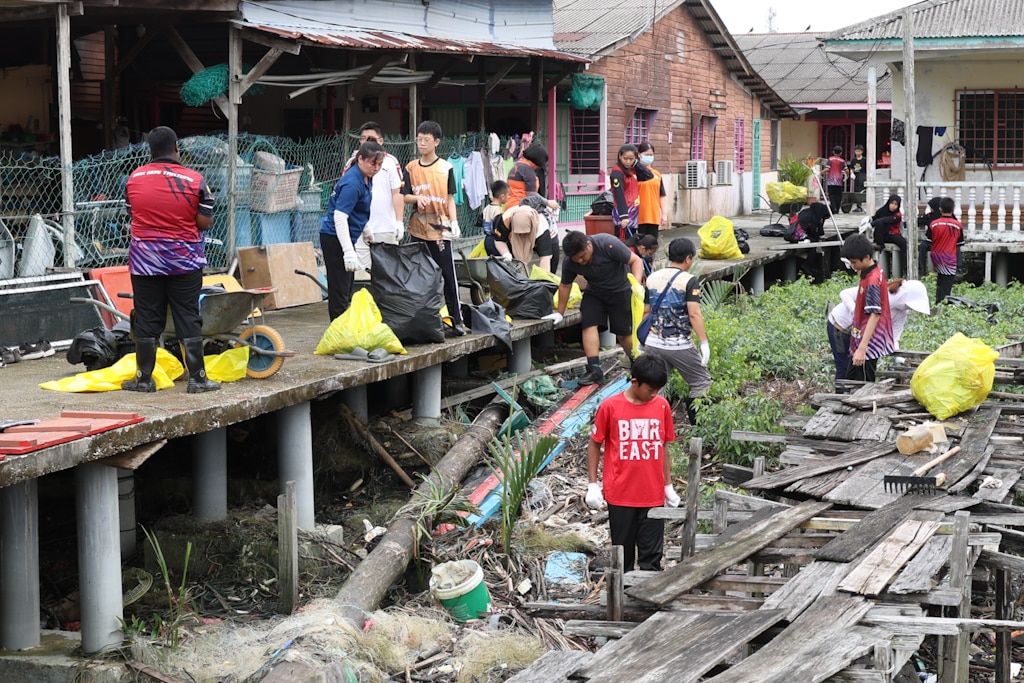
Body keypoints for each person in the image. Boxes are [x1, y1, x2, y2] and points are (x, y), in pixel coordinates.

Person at [122, 126, 219, 394]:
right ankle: (198, 379)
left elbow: (131, 213)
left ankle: (143, 379)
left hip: (145, 261)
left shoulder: (134, 179)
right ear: (176, 147)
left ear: (150, 150)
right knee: (187, 315)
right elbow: (205, 222)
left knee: (146, 317)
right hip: (184, 261)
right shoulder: (195, 180)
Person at [584, 354, 681, 572]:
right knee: (622, 555)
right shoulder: (610, 407)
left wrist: (668, 485)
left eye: (658, 389)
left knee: (651, 557)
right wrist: (592, 484)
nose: (654, 394)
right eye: (650, 389)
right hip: (621, 494)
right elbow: (594, 444)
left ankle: (646, 601)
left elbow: (663, 446)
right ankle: (622, 600)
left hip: (652, 494)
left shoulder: (662, 406)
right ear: (635, 381)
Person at [402, 120, 468, 335]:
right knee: (418, 275)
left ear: (436, 142)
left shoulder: (446, 168)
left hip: (440, 226)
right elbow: (404, 195)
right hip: (417, 225)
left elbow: (450, 198)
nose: (421, 143)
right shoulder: (411, 167)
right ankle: (421, 321)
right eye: (419, 139)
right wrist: (415, 198)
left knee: (447, 274)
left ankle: (456, 320)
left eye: (426, 140)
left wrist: (454, 220)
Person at [554, 231, 645, 385]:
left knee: (623, 334)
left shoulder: (607, 244)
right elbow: (565, 285)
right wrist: (560, 313)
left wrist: (636, 285)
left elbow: (636, 261)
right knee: (588, 323)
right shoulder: (570, 262)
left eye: (583, 256)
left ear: (588, 245)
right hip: (595, 292)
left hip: (620, 290)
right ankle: (595, 369)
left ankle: (636, 363)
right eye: (577, 260)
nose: (581, 261)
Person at [642, 238, 711, 426]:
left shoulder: (652, 277)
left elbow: (646, 311)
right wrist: (704, 343)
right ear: (688, 259)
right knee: (701, 382)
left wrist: (643, 342)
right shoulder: (689, 280)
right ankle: (699, 428)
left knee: (657, 386)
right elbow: (694, 314)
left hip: (652, 343)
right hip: (678, 345)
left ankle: (655, 426)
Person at [319, 141, 384, 322]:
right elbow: (340, 217)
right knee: (339, 290)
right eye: (373, 163)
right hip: (334, 238)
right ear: (360, 159)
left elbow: (356, 209)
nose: (376, 168)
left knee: (347, 287)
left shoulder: (366, 176)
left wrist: (365, 228)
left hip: (347, 235)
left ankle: (343, 331)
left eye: (379, 164)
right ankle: (337, 332)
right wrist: (348, 251)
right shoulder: (352, 183)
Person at [827, 278, 929, 385]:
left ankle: (858, 396)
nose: (907, 307)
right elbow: (845, 293)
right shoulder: (879, 292)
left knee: (863, 369)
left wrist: (898, 358)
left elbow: (893, 338)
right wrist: (855, 311)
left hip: (862, 336)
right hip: (840, 328)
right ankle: (841, 395)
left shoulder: (901, 313)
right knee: (844, 367)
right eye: (907, 305)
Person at [344, 122, 405, 270]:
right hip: (359, 227)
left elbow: (397, 193)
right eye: (363, 138)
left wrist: (399, 222)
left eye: (371, 138)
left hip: (385, 227)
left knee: (389, 273)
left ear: (381, 141)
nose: (367, 142)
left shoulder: (390, 162)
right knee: (362, 273)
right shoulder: (352, 163)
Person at [840, 234, 895, 383]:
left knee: (862, 386)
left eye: (854, 262)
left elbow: (875, 314)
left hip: (869, 344)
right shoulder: (873, 271)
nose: (853, 266)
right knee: (851, 380)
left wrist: (862, 348)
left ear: (866, 258)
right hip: (861, 338)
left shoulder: (872, 281)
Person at [485, 205, 559, 273]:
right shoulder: (506, 219)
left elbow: (545, 258)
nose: (522, 236)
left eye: (525, 233)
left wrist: (543, 279)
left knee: (552, 263)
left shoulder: (541, 227)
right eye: (519, 234)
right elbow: (499, 240)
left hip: (548, 236)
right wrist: (506, 254)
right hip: (513, 238)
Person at [609, 144, 653, 241]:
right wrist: (624, 216)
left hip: (633, 212)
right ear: (620, 156)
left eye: (631, 159)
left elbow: (649, 176)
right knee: (624, 242)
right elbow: (619, 194)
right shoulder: (617, 173)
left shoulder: (631, 170)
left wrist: (636, 163)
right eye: (625, 158)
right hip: (624, 213)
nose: (628, 161)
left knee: (632, 240)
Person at [927, 196, 964, 304]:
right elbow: (959, 243)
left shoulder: (933, 224)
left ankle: (938, 301)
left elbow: (929, 241)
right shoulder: (958, 225)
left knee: (940, 280)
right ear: (952, 210)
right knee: (947, 283)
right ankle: (943, 303)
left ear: (940, 209)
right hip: (949, 257)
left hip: (936, 256)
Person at [507, 143, 558, 213]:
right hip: (521, 208)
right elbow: (532, 195)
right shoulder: (528, 170)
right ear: (536, 162)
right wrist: (548, 202)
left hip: (509, 207)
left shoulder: (516, 166)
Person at [636, 142, 668, 238]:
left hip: (653, 215)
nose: (649, 157)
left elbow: (661, 195)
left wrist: (664, 214)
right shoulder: (634, 173)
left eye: (651, 155)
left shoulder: (657, 174)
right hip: (638, 215)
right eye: (646, 154)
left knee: (652, 245)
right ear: (639, 155)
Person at [871, 194, 908, 276]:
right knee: (879, 225)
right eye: (892, 203)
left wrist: (873, 223)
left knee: (903, 243)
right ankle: (880, 245)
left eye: (896, 204)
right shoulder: (881, 211)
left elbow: (887, 220)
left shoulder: (898, 215)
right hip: (881, 236)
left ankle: (904, 269)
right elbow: (875, 218)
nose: (893, 206)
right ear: (888, 203)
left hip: (892, 235)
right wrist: (870, 221)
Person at [825, 145, 846, 215]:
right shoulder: (842, 161)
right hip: (839, 181)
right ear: (841, 153)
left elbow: (827, 169)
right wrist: (848, 176)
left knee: (831, 195)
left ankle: (834, 208)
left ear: (833, 152)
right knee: (838, 196)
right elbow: (846, 170)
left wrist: (819, 172)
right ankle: (837, 209)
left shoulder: (830, 159)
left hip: (831, 181)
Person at [847, 145, 867, 212]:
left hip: (862, 176)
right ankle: (858, 206)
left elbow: (867, 169)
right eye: (856, 151)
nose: (857, 152)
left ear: (862, 152)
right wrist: (851, 173)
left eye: (859, 151)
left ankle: (861, 205)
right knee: (856, 191)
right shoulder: (853, 160)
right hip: (856, 176)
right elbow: (851, 168)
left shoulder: (864, 160)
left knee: (861, 191)